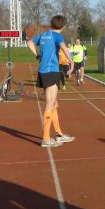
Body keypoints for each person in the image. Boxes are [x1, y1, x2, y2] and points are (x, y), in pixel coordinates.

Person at [26, 15, 76, 147]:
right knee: (50, 105)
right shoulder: (58, 36)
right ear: (63, 26)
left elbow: (29, 42)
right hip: (51, 71)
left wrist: (37, 55)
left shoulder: (43, 35)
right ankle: (46, 138)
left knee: (54, 104)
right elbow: (64, 49)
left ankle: (58, 134)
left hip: (44, 71)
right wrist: (71, 63)